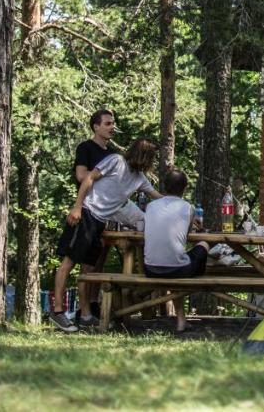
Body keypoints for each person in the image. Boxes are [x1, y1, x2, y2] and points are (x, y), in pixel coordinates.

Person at [50, 138, 161, 332]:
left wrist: (181, 206)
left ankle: (85, 316)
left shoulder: (139, 178)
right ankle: (58, 311)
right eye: (152, 157)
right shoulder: (116, 161)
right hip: (86, 214)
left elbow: (158, 196)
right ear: (144, 155)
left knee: (88, 270)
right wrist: (77, 207)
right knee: (68, 263)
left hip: (100, 223)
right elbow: (89, 178)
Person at [143, 168, 211, 333]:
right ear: (185, 188)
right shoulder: (188, 208)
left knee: (174, 260)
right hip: (178, 269)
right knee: (204, 244)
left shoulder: (150, 206)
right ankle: (182, 318)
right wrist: (202, 231)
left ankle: (181, 320)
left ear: (164, 187)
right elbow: (187, 235)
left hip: (150, 268)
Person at [73, 109, 118, 322]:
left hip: (107, 212)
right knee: (85, 263)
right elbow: (82, 175)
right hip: (88, 211)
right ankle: (83, 312)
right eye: (108, 123)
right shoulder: (86, 148)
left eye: (113, 123)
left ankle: (94, 303)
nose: (112, 127)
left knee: (99, 260)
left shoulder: (111, 154)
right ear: (96, 127)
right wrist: (101, 176)